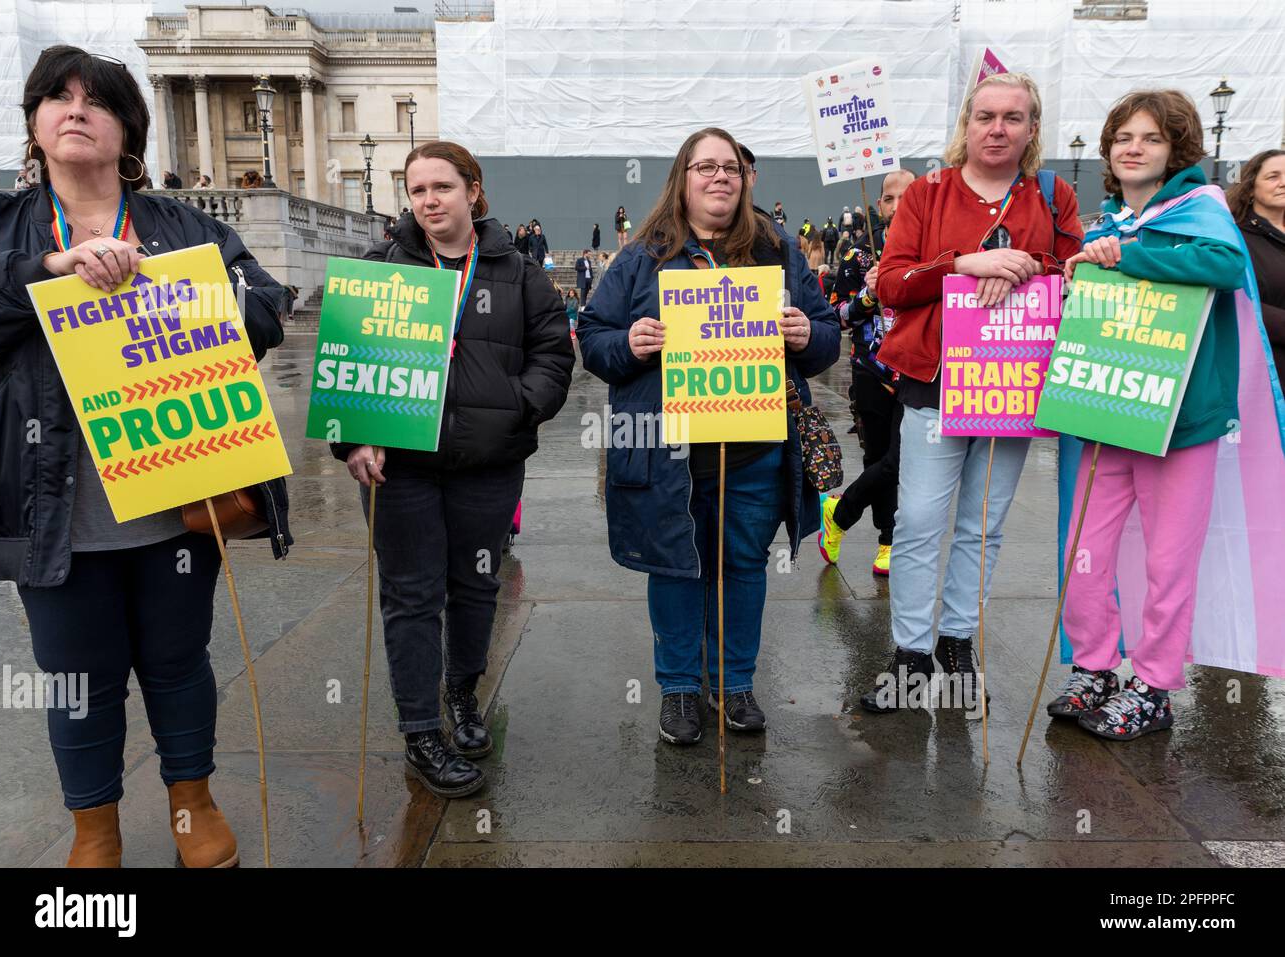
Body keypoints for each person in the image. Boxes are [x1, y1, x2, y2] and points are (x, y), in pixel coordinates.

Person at [0, 46, 293, 867]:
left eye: (96, 100)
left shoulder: (181, 225)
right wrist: (52, 270)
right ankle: (96, 827)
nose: (74, 108)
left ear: (128, 129)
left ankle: (192, 802)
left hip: (177, 501)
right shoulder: (2, 225)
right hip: (54, 508)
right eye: (56, 97)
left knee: (177, 661)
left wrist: (175, 291)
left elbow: (268, 304)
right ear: (35, 126)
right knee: (76, 678)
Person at [578, 127, 839, 744]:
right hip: (668, 451)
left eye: (730, 168)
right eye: (705, 167)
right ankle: (679, 690)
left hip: (753, 448)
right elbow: (592, 338)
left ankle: (734, 682)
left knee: (743, 565)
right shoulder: (643, 255)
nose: (719, 177)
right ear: (683, 179)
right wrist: (630, 343)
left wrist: (807, 336)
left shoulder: (778, 251)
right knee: (675, 568)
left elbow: (827, 335)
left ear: (745, 180)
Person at [333, 140, 573, 796]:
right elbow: (346, 355)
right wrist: (355, 437)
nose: (430, 200)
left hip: (486, 462)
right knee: (410, 596)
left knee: (475, 587)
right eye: (418, 191)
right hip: (400, 468)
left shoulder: (517, 272)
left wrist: (518, 409)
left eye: (443, 186)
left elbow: (555, 352)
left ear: (473, 190)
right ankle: (420, 731)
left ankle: (462, 696)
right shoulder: (382, 263)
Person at [1048, 90, 1269, 739]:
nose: (1132, 147)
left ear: (1176, 150)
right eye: (1122, 136)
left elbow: (1226, 265)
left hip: (1182, 420)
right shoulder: (1105, 224)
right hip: (1108, 407)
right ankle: (1093, 665)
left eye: (1149, 137)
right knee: (1083, 549)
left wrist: (1130, 257)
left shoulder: (1201, 208)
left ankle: (1154, 683)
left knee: (1170, 559)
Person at [862, 72, 1082, 713]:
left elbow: (1073, 272)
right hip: (934, 380)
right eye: (985, 116)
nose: (997, 129)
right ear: (966, 123)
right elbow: (893, 284)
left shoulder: (1053, 192)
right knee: (922, 521)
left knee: (982, 525)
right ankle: (908, 651)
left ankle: (957, 642)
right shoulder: (928, 192)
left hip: (1011, 378)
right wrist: (962, 262)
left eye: (1013, 118)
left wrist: (1024, 269)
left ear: (1032, 128)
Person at [818, 169, 916, 577]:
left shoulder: (933, 249)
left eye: (906, 197)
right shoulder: (858, 254)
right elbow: (835, 315)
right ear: (879, 205)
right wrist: (868, 295)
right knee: (878, 457)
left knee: (901, 459)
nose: (897, 206)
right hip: (870, 370)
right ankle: (887, 541)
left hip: (918, 373)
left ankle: (839, 512)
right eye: (889, 199)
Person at [1228, 149, 1285, 377]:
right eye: (1273, 177)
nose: (1283, 183)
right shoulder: (1235, 236)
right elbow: (1239, 300)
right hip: (1265, 369)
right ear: (1250, 188)